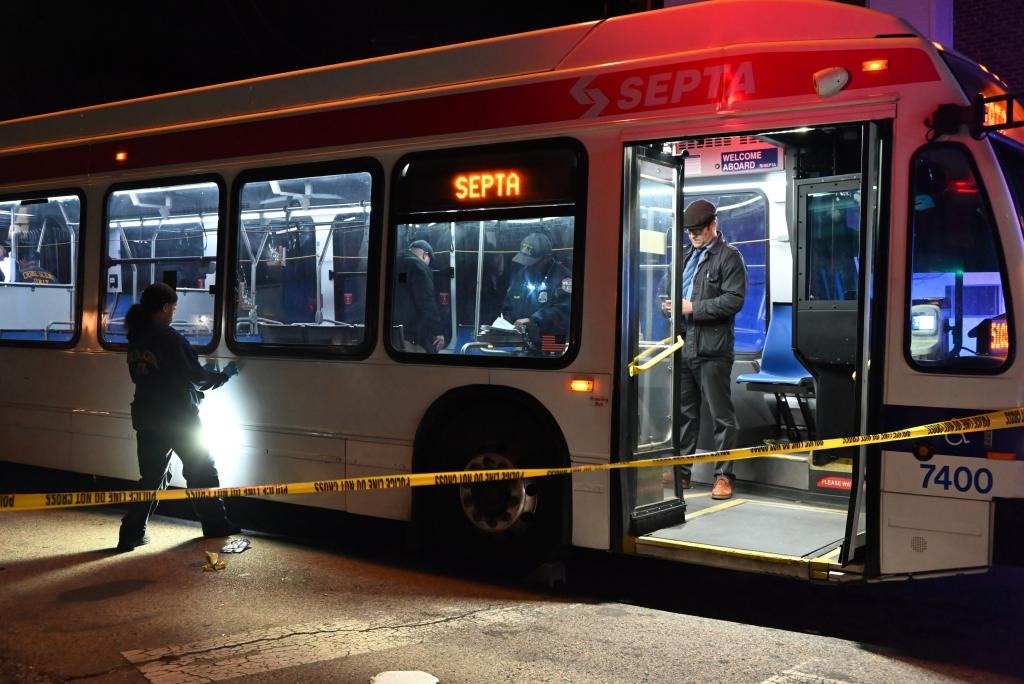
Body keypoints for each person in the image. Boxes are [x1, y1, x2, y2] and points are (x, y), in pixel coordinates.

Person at [116, 282, 241, 551]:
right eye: (173, 307)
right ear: (164, 307)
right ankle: (215, 524)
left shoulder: (136, 337)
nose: (173, 313)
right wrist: (223, 375)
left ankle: (131, 532)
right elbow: (197, 379)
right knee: (202, 470)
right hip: (179, 418)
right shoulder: (170, 338)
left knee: (151, 478)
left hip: (147, 418)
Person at [661, 200, 747, 500]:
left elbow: (734, 300)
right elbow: (666, 286)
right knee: (685, 414)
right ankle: (681, 473)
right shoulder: (685, 257)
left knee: (722, 417)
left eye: (699, 230)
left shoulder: (730, 257)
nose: (694, 236)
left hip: (713, 350)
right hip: (683, 344)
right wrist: (667, 305)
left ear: (714, 225)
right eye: (690, 232)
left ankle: (724, 476)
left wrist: (692, 308)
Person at [500, 232, 571, 351]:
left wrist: (534, 320)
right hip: (521, 342)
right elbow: (508, 305)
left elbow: (564, 311)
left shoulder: (564, 278)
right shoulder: (521, 275)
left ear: (547, 258)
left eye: (532, 262)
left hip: (553, 343)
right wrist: (508, 325)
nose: (527, 266)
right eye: (525, 261)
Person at [393, 239, 445, 353]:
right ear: (425, 255)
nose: (428, 266)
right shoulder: (419, 267)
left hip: (392, 333)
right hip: (411, 334)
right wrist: (437, 332)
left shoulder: (395, 261)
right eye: (429, 263)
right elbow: (426, 301)